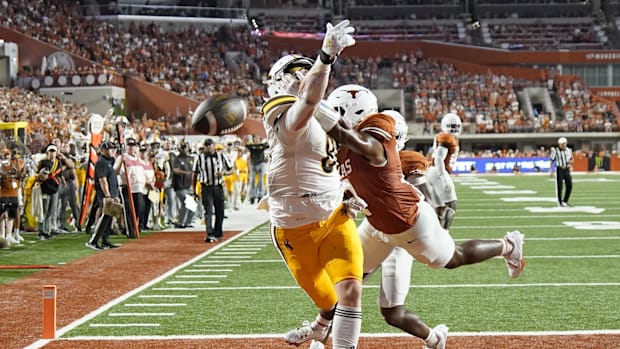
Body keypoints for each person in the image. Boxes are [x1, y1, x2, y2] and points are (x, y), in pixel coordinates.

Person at [311, 83, 525, 349]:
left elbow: (349, 137)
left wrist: (309, 100)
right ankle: (321, 331)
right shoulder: (341, 146)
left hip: (408, 222)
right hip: (377, 224)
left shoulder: (373, 137)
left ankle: (508, 245)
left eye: (337, 111)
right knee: (348, 277)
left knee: (453, 258)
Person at [262, 20, 363, 349]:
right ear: (278, 83)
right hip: (293, 228)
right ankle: (321, 325)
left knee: (350, 292)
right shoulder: (281, 113)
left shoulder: (327, 113)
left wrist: (347, 190)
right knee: (327, 299)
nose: (303, 76)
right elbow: (304, 105)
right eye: (295, 72)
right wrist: (325, 56)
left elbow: (335, 162)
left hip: (335, 217)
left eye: (307, 70)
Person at [425, 112, 462, 229]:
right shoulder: (446, 138)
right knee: (451, 205)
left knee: (440, 208)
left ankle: (435, 235)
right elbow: (439, 159)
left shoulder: (448, 137)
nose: (453, 129)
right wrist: (444, 178)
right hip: (438, 172)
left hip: (433, 171)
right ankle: (444, 236)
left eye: (455, 126)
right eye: (451, 126)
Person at [192, 138, 232, 243]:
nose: (208, 147)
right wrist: (194, 190)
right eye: (206, 145)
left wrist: (223, 173)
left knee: (220, 211)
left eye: (210, 145)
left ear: (214, 145)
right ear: (204, 146)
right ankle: (210, 233)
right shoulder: (200, 158)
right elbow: (195, 173)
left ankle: (218, 232)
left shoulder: (221, 156)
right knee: (208, 211)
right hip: (206, 187)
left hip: (218, 186)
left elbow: (231, 169)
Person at [86, 141, 121, 250]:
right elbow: (103, 180)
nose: (113, 151)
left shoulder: (110, 161)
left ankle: (106, 240)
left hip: (112, 192)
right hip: (105, 194)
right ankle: (93, 241)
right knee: (105, 216)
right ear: (103, 150)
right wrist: (107, 195)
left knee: (109, 217)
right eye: (110, 149)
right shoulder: (101, 162)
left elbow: (114, 174)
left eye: (114, 149)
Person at [170, 140, 195, 228]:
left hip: (188, 185)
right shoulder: (176, 159)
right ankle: (180, 222)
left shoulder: (191, 159)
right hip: (179, 185)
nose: (185, 149)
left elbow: (194, 171)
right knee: (185, 202)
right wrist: (185, 173)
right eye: (183, 147)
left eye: (186, 147)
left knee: (191, 204)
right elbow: (175, 170)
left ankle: (188, 221)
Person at [549, 137, 573, 207]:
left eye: (563, 144)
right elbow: (552, 160)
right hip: (559, 169)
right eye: (561, 144)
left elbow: (572, 159)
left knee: (569, 185)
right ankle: (560, 203)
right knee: (560, 187)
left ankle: (565, 201)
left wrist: (570, 163)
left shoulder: (569, 150)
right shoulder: (555, 150)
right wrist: (551, 170)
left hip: (567, 169)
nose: (562, 145)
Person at [245, 134, 269, 204]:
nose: (256, 140)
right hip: (253, 164)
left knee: (261, 181)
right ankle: (252, 196)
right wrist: (256, 147)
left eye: (257, 139)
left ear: (260, 139)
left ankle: (260, 196)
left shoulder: (262, 146)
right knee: (252, 181)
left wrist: (256, 147)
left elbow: (266, 145)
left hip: (261, 164)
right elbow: (247, 145)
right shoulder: (252, 146)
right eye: (255, 139)